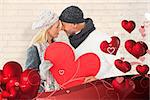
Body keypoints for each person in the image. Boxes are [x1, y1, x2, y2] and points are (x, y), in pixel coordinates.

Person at [59, 6, 98, 83]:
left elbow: (114, 65)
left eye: (63, 25)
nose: (61, 28)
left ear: (74, 24)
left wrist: (98, 79)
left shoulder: (97, 38)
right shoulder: (72, 38)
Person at [25, 10, 61, 92]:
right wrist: (41, 75)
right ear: (48, 28)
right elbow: (28, 79)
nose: (59, 30)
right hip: (43, 95)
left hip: (59, 93)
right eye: (57, 27)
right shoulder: (34, 49)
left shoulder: (57, 47)